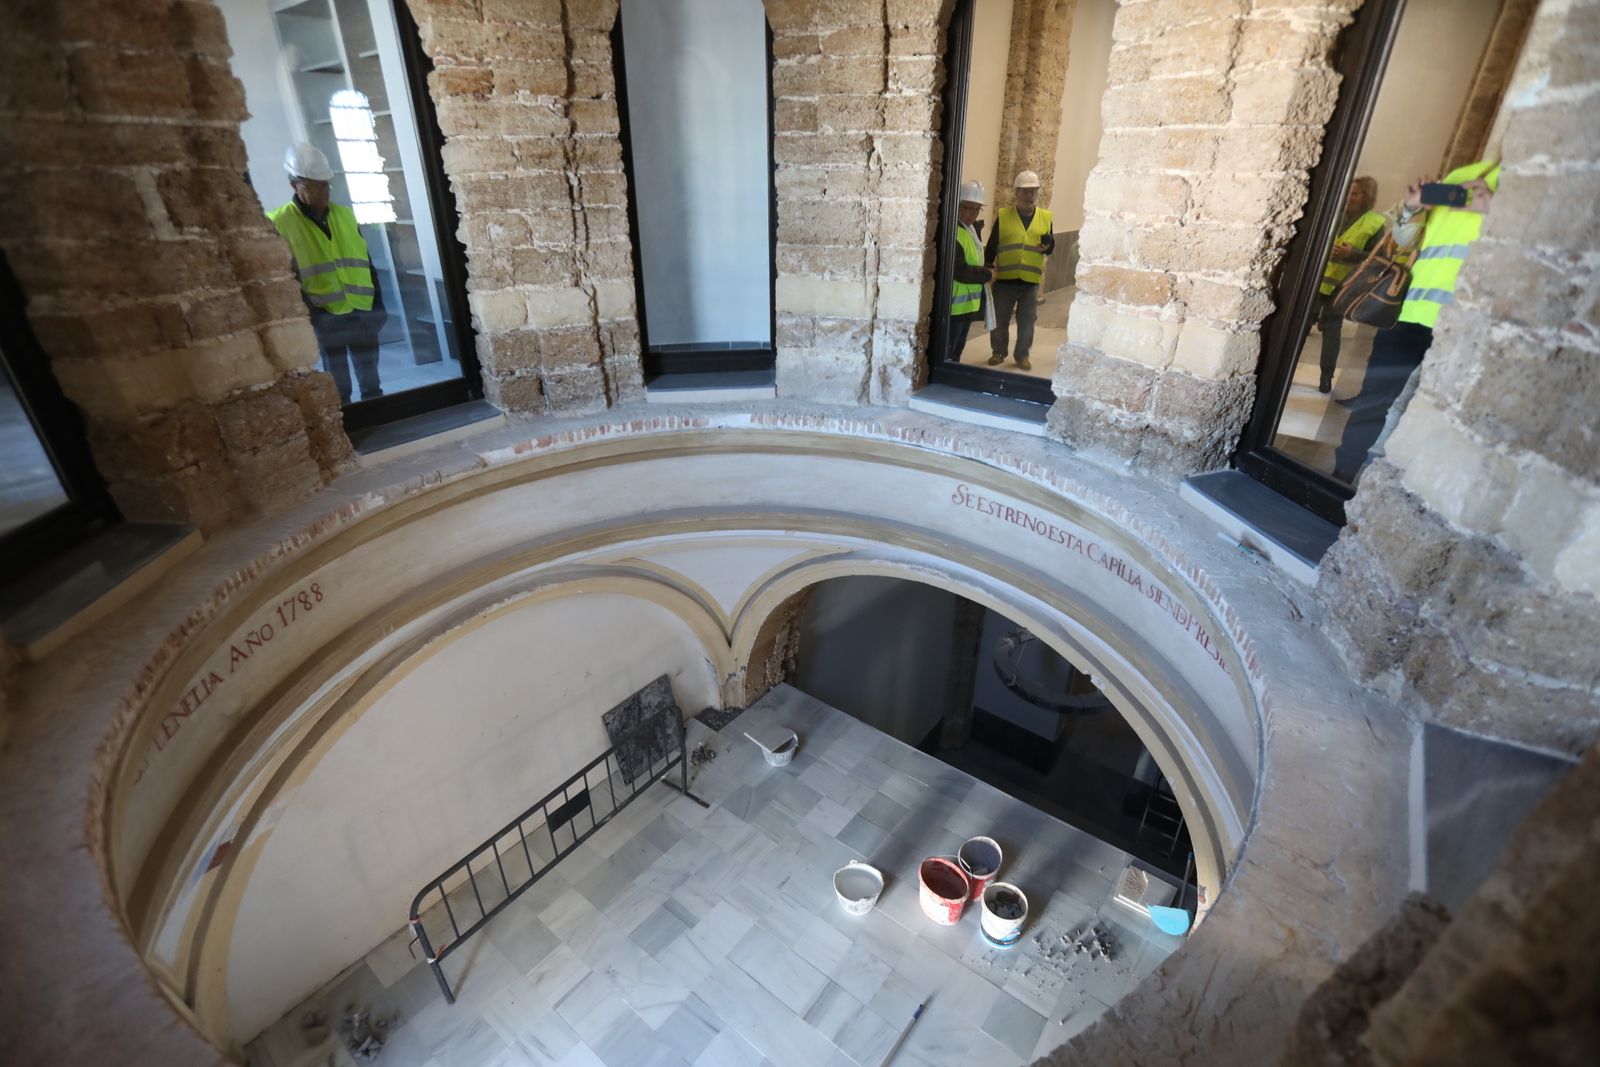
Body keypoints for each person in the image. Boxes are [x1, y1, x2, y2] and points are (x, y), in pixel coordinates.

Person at [1331, 160, 1499, 483]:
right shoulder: (1463, 175)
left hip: (1466, 323)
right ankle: (1343, 472)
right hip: (1413, 313)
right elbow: (1405, 240)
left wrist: (1495, 211)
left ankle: (1402, 484)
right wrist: (1411, 207)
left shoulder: (1530, 182)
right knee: (1374, 400)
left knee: (1439, 413)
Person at [267, 143, 387, 404]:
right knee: (338, 383)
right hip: (324, 315)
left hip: (361, 310)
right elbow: (285, 280)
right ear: (295, 185)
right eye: (314, 185)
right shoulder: (278, 222)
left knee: (371, 380)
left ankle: (377, 413)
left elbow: (366, 263)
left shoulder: (345, 216)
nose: (323, 191)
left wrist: (378, 305)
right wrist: (313, 318)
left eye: (326, 185)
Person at [1314, 176, 1385, 393]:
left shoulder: (1375, 223)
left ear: (1367, 197)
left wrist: (1351, 253)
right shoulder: (1332, 213)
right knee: (1299, 326)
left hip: (1343, 286)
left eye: (1354, 194)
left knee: (1332, 328)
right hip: (1315, 281)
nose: (1348, 198)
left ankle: (1326, 377)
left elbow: (1377, 259)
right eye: (1347, 193)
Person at [984, 170, 1055, 371]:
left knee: (1027, 322)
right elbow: (993, 243)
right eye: (1025, 191)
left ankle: (1022, 355)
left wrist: (1047, 247)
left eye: (1033, 191)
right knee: (1000, 319)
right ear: (1016, 193)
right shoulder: (1004, 216)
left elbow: (1051, 245)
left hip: (1030, 281)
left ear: (1037, 192)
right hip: (1006, 279)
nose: (1029, 195)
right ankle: (998, 352)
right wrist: (988, 265)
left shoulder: (1046, 217)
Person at [949, 180, 996, 362]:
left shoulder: (970, 229)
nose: (973, 214)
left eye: (977, 209)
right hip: (954, 306)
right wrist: (987, 275)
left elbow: (975, 259)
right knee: (949, 351)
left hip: (968, 304)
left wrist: (987, 268)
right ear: (958, 204)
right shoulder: (953, 231)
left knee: (958, 350)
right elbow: (959, 270)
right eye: (969, 208)